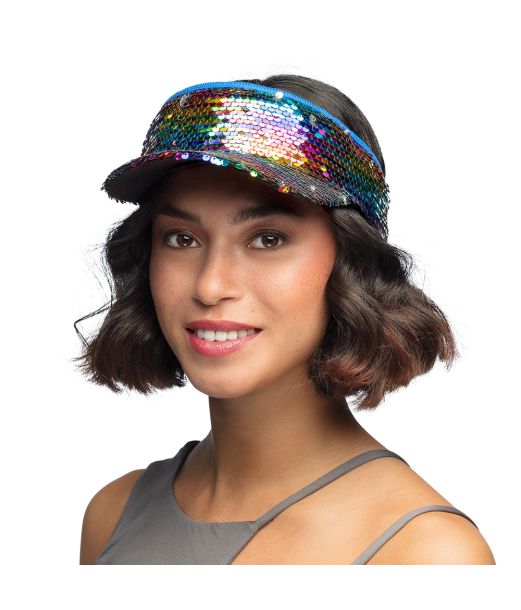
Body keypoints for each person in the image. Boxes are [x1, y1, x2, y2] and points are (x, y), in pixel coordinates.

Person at [76, 74, 495, 564]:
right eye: (182, 239)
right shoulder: (111, 514)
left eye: (268, 239)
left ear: (352, 262)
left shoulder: (426, 555)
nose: (210, 286)